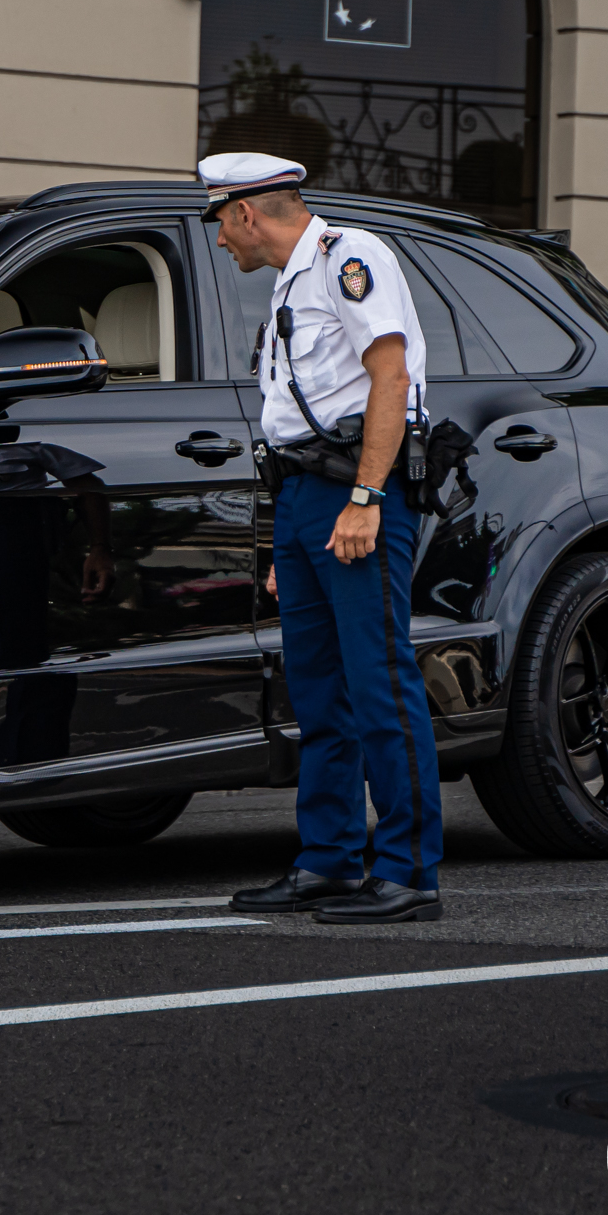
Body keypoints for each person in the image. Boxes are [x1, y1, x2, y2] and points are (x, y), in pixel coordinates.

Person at [203, 152, 446, 925]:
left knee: (378, 678)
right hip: (307, 498)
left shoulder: (352, 258)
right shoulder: (290, 282)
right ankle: (330, 861)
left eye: (219, 222)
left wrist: (368, 498)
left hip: (357, 488)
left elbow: (391, 380)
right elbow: (290, 424)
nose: (219, 241)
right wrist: (289, 541)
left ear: (246, 212)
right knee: (317, 690)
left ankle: (409, 871)